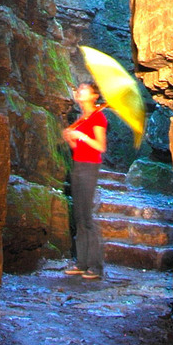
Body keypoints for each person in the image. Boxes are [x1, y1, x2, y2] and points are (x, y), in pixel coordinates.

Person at [62, 79, 107, 279]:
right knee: (78, 216)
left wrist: (81, 136)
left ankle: (96, 266)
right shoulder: (82, 117)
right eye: (79, 89)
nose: (79, 91)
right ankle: (81, 262)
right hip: (78, 165)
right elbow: (77, 149)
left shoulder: (98, 117)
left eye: (84, 89)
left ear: (94, 96)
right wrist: (71, 139)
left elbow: (100, 147)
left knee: (87, 216)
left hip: (90, 167)